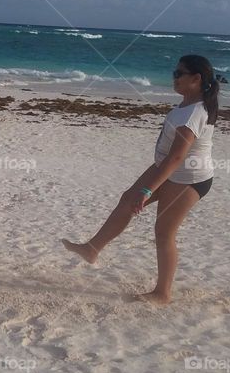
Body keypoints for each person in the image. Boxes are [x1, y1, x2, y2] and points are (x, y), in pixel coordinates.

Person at [62, 55, 219, 305]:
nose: (174, 78)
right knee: (127, 201)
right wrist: (145, 189)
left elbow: (177, 157)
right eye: (174, 73)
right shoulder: (188, 105)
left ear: (196, 78)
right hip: (167, 168)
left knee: (164, 232)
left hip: (188, 178)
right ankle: (92, 249)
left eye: (179, 73)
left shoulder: (194, 113)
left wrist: (147, 190)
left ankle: (162, 293)